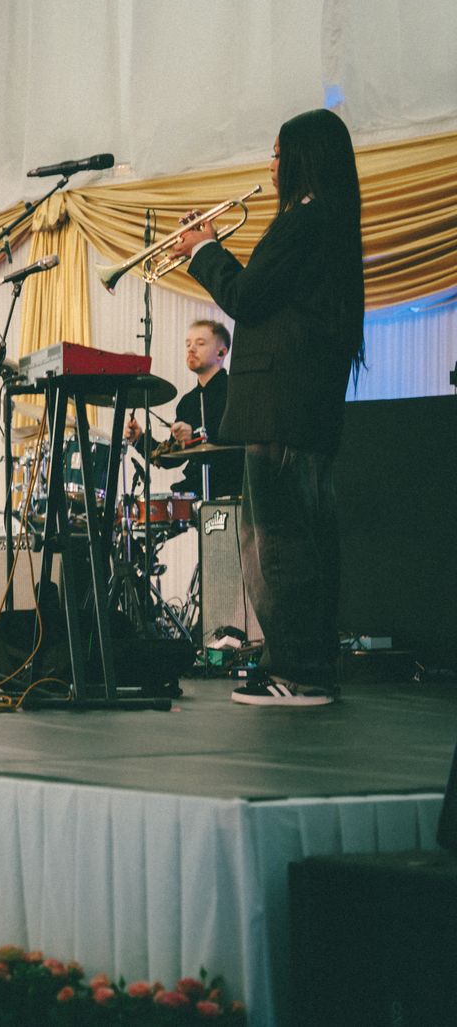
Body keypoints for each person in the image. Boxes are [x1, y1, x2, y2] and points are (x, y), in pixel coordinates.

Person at [174, 108, 365, 707]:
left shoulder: (305, 221)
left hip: (282, 409)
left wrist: (205, 249)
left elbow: (248, 296)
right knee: (301, 542)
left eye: (279, 153)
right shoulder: (328, 222)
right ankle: (308, 666)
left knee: (275, 546)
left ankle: (297, 671)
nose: (271, 164)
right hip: (300, 409)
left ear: (303, 157)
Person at [123, 319, 241, 499]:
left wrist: (194, 435)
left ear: (221, 352)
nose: (191, 349)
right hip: (196, 491)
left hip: (231, 492)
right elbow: (172, 458)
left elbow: (239, 442)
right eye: (188, 344)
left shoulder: (236, 392)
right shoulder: (188, 402)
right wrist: (139, 439)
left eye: (200, 343)